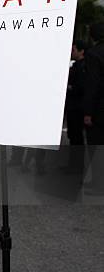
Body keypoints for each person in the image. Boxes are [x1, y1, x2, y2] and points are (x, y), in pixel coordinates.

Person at [83, 22, 104, 193]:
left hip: (99, 109)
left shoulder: (93, 54)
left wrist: (88, 112)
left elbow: (93, 84)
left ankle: (98, 183)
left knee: (96, 147)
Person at [64, 40, 87, 174]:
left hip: (77, 108)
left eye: (73, 50)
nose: (71, 52)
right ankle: (73, 165)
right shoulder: (78, 65)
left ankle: (76, 167)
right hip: (74, 107)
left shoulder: (82, 67)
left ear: (81, 51)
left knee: (76, 137)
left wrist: (69, 87)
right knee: (73, 137)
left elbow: (80, 87)